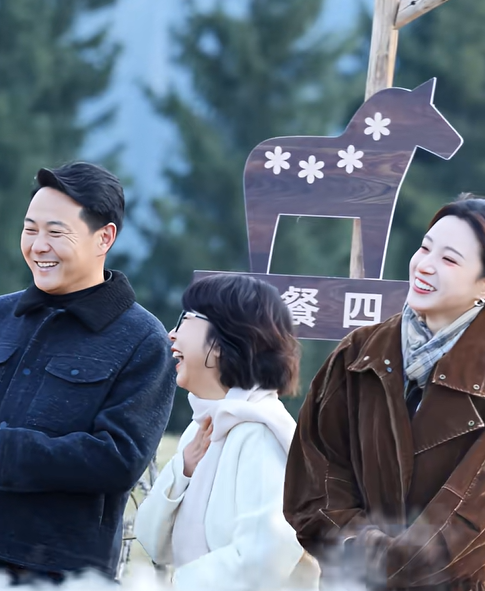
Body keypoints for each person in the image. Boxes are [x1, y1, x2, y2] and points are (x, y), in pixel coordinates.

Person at [0, 161, 177, 590]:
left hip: (61, 573)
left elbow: (119, 459)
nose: (38, 246)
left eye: (56, 232)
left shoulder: (142, 339)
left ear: (104, 237)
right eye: (30, 230)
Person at [284, 193, 485, 591]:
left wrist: (380, 561)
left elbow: (468, 526)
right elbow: (314, 483)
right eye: (424, 248)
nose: (424, 265)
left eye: (449, 259)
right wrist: (360, 549)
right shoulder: (359, 353)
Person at [134, 273, 321, 591]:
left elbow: (264, 558)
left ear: (221, 342)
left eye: (186, 319)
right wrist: (183, 470)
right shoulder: (206, 426)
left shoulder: (261, 434)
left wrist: (182, 584)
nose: (171, 334)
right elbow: (153, 542)